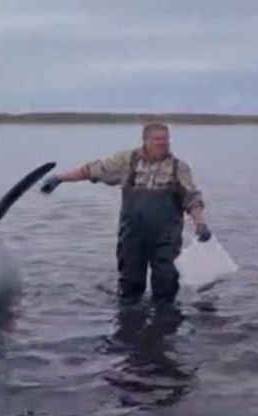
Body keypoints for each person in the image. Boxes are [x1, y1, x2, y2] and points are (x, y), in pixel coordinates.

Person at [39, 122, 212, 305]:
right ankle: (129, 324)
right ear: (145, 140)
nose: (164, 143)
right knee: (130, 286)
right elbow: (92, 170)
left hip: (166, 237)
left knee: (167, 286)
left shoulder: (179, 168)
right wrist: (60, 178)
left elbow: (192, 198)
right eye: (158, 139)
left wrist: (201, 224)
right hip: (132, 234)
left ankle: (165, 327)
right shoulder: (127, 161)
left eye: (166, 139)